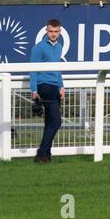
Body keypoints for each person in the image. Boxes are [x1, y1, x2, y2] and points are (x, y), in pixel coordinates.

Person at [29, 19, 65, 163]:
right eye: (51, 31)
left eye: (56, 32)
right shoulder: (38, 47)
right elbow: (32, 70)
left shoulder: (59, 46)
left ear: (60, 32)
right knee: (56, 121)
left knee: (50, 121)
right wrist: (34, 90)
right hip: (44, 86)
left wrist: (61, 86)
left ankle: (46, 155)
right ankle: (41, 152)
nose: (53, 34)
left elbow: (58, 69)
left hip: (55, 87)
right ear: (46, 30)